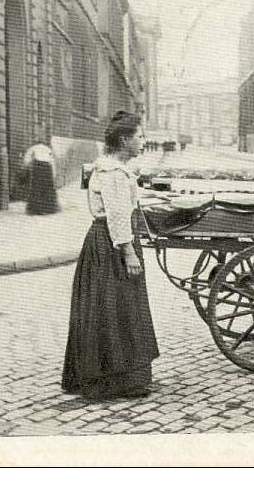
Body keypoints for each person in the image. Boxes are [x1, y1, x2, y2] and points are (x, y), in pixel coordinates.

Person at [62, 110, 159, 400]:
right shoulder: (113, 173)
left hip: (104, 243)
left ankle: (109, 376)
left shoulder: (110, 169)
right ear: (124, 140)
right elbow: (117, 215)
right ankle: (119, 381)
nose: (143, 141)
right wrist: (129, 253)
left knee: (109, 310)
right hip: (112, 246)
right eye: (139, 136)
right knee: (119, 310)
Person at [23, 140, 60, 215]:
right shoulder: (48, 149)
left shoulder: (32, 148)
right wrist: (53, 175)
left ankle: (35, 210)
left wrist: (27, 167)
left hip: (37, 168)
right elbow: (52, 162)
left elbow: (26, 159)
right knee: (47, 189)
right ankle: (49, 209)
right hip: (47, 168)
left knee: (36, 188)